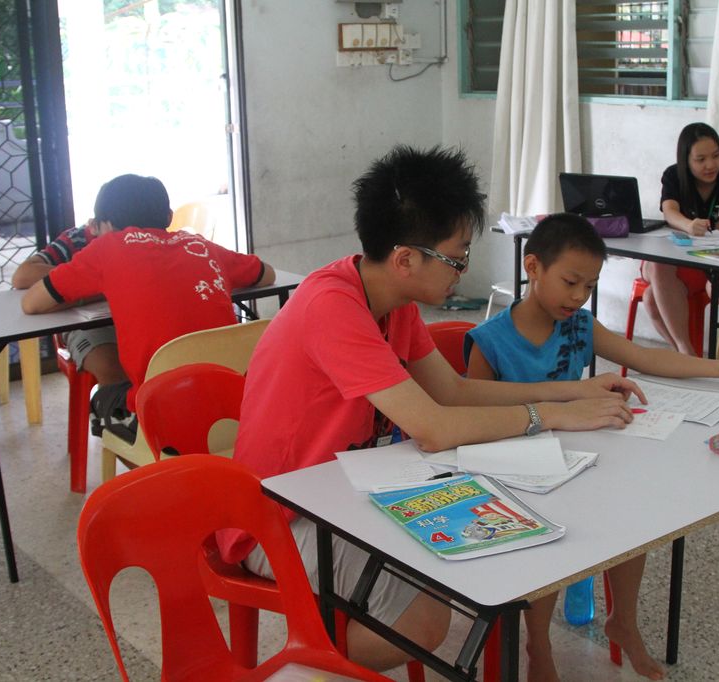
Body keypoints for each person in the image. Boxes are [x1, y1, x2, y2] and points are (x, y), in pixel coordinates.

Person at [218, 145, 646, 674]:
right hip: (280, 517)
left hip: (347, 492)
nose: (462, 272)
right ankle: (303, 662)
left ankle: (334, 642)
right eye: (457, 257)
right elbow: (435, 427)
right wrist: (550, 416)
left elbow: (453, 392)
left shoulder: (391, 300)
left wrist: (570, 394)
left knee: (499, 536)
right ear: (406, 260)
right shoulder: (331, 305)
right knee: (425, 621)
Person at [465, 213, 719, 681]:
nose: (578, 297)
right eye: (570, 282)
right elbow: (473, 412)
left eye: (589, 286)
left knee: (633, 513)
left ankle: (623, 621)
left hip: (575, 456)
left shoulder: (579, 325)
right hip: (515, 472)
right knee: (554, 531)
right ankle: (538, 642)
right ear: (533, 267)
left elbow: (643, 357)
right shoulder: (489, 340)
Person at [20, 173, 275, 423]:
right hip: (233, 406)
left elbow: (31, 303)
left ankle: (140, 443)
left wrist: (88, 293)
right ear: (169, 217)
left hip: (159, 413)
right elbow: (267, 275)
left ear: (104, 225)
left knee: (104, 397)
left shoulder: (106, 248)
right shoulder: (200, 246)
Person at [642, 123, 719, 356]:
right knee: (658, 265)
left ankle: (685, 355)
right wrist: (688, 225)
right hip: (673, 255)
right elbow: (669, 211)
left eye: (716, 156)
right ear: (686, 160)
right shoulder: (673, 175)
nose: (710, 165)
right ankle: (687, 354)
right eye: (700, 159)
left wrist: (699, 234)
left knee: (651, 296)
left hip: (708, 260)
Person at [12, 220, 128, 419]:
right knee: (109, 365)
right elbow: (22, 277)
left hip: (130, 317)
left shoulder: (144, 236)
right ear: (94, 226)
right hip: (85, 324)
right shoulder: (78, 239)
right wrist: (86, 276)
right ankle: (120, 425)